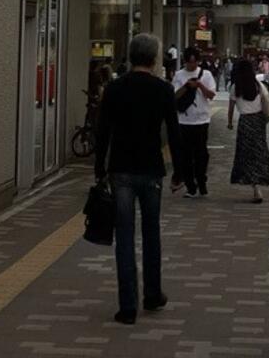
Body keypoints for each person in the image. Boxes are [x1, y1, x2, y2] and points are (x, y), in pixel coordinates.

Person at [93, 32, 179, 324]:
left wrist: (99, 168)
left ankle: (127, 306)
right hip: (152, 168)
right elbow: (174, 132)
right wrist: (180, 171)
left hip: (121, 170)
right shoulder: (163, 90)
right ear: (155, 58)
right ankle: (152, 294)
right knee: (151, 234)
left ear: (131, 56)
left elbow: (102, 131)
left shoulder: (115, 89)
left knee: (125, 237)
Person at [227, 57, 269, 202]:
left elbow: (231, 108)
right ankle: (258, 184)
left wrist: (230, 123)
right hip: (258, 122)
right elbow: (266, 105)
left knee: (246, 154)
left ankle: (254, 185)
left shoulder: (235, 87)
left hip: (245, 122)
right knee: (259, 152)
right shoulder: (258, 85)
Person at [170, 49, 216, 198]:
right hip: (183, 120)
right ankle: (190, 186)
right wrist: (186, 86)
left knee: (201, 153)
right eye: (189, 62)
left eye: (194, 62)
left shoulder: (206, 75)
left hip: (202, 120)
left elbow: (211, 95)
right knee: (186, 155)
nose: (191, 65)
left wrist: (200, 85)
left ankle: (202, 181)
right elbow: (174, 96)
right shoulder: (179, 75)